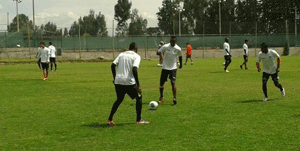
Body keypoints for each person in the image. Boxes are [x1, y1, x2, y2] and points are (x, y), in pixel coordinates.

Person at [107, 42, 149, 125]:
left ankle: (109, 119)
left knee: (119, 99)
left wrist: (115, 78)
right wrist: (138, 85)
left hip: (118, 81)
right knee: (139, 97)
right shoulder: (136, 56)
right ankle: (138, 120)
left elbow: (112, 65)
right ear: (136, 49)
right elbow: (134, 69)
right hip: (129, 82)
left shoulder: (121, 54)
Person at [157, 36, 182, 105]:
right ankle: (161, 97)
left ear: (175, 41)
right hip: (165, 67)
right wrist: (158, 52)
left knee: (173, 82)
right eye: (171, 41)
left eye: (173, 42)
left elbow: (180, 56)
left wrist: (181, 65)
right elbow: (159, 51)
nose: (172, 43)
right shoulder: (165, 46)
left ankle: (174, 98)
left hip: (173, 68)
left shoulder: (178, 49)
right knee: (161, 83)